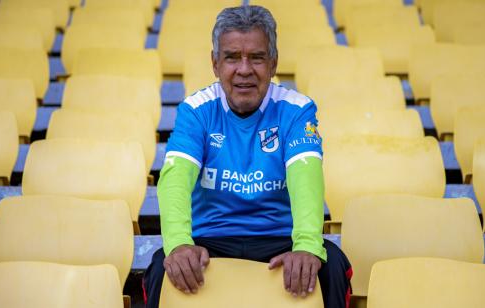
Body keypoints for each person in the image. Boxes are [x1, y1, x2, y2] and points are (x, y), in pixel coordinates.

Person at [143, 5, 352, 308]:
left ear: (273, 63)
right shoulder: (196, 109)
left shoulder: (297, 110)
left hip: (279, 237)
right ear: (215, 64)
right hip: (211, 238)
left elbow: (306, 178)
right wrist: (179, 244)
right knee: (164, 266)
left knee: (328, 262)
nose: (244, 69)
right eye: (231, 57)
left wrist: (306, 245)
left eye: (257, 57)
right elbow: (174, 179)